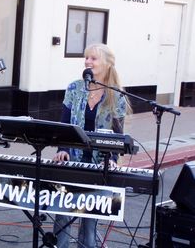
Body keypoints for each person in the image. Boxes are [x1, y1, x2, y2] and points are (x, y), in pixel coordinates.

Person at [52, 43, 130, 248]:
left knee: (89, 226)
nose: (88, 62)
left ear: (107, 63)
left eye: (93, 58)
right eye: (86, 58)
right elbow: (64, 123)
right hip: (73, 162)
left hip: (97, 165)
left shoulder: (117, 95)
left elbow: (118, 135)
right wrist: (63, 149)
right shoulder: (74, 88)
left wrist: (112, 159)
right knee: (62, 218)